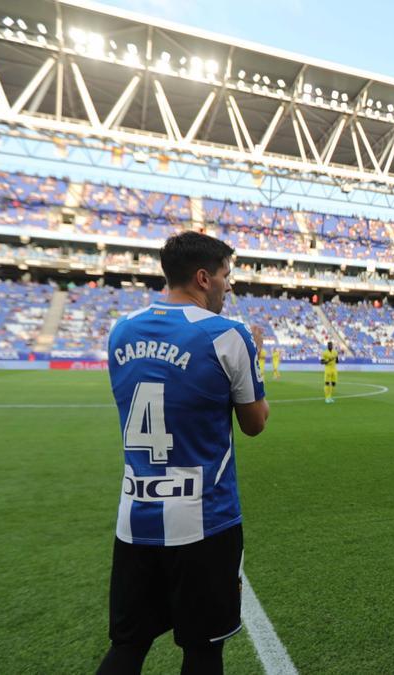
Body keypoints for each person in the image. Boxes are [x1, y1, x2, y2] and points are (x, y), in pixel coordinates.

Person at [100, 231, 269, 675]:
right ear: (202, 277)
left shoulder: (121, 330)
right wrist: (257, 354)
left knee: (127, 646)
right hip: (204, 520)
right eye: (226, 275)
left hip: (135, 516)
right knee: (202, 649)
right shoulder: (228, 334)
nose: (229, 285)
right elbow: (255, 424)